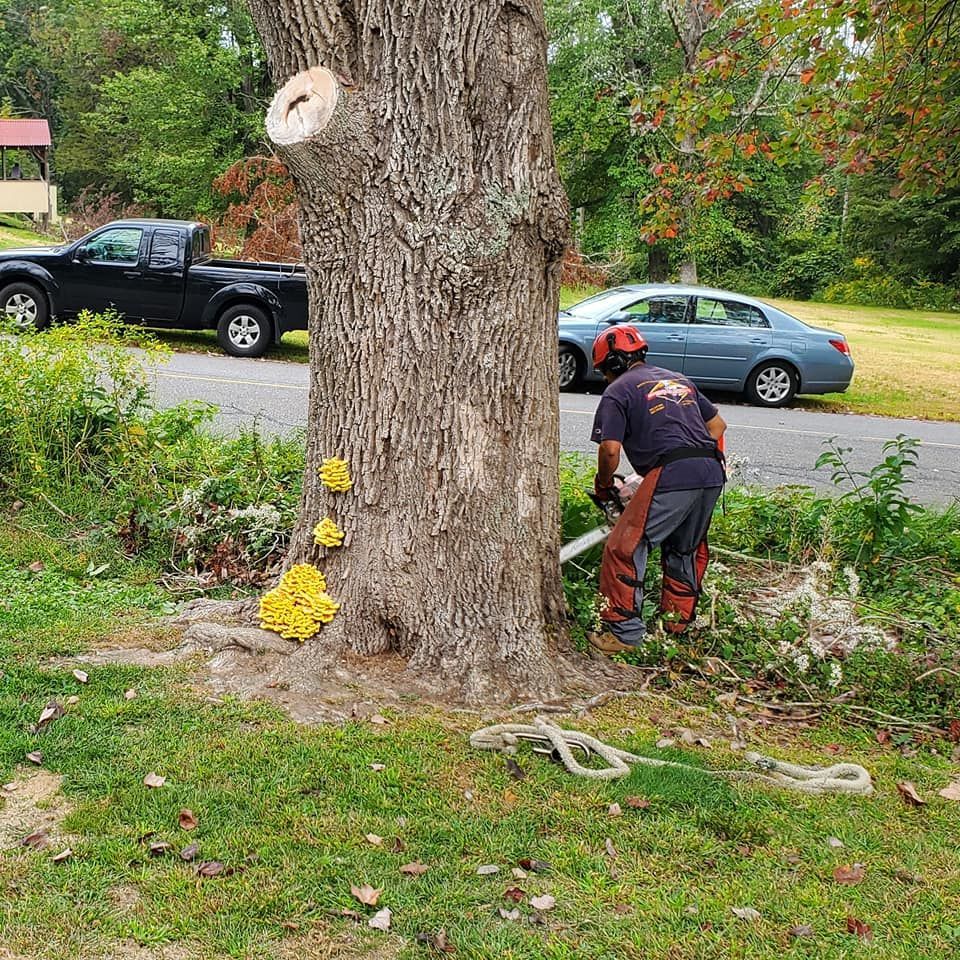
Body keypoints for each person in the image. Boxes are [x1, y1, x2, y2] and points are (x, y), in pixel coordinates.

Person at [588, 323, 726, 654]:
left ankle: (623, 634)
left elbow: (609, 450)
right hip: (710, 471)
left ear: (613, 364)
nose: (607, 377)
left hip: (673, 473)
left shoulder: (618, 390)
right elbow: (718, 425)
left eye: (605, 370)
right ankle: (676, 626)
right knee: (684, 550)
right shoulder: (677, 379)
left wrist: (605, 485)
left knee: (625, 547)